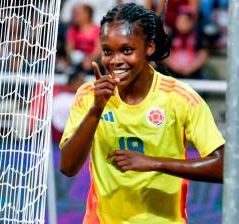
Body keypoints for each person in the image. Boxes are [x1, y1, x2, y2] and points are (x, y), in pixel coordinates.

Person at [59, 3, 224, 224]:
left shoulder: (180, 97)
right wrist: (97, 109)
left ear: (149, 48)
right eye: (108, 51)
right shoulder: (89, 95)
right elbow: (68, 168)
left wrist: (153, 163)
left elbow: (223, 166)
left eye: (127, 50)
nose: (115, 60)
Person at [163, 5, 209, 79]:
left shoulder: (198, 35)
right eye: (179, 20)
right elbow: (165, 54)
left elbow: (203, 55)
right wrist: (175, 67)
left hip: (193, 73)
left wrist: (191, 69)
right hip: (173, 72)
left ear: (191, 22)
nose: (182, 23)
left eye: (185, 20)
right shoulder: (171, 34)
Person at [65, 3, 101, 73]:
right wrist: (71, 59)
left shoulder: (97, 29)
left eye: (77, 14)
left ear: (87, 15)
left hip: (94, 60)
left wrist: (89, 60)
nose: (74, 16)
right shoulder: (72, 30)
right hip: (77, 60)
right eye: (74, 14)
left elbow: (98, 50)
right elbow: (69, 49)